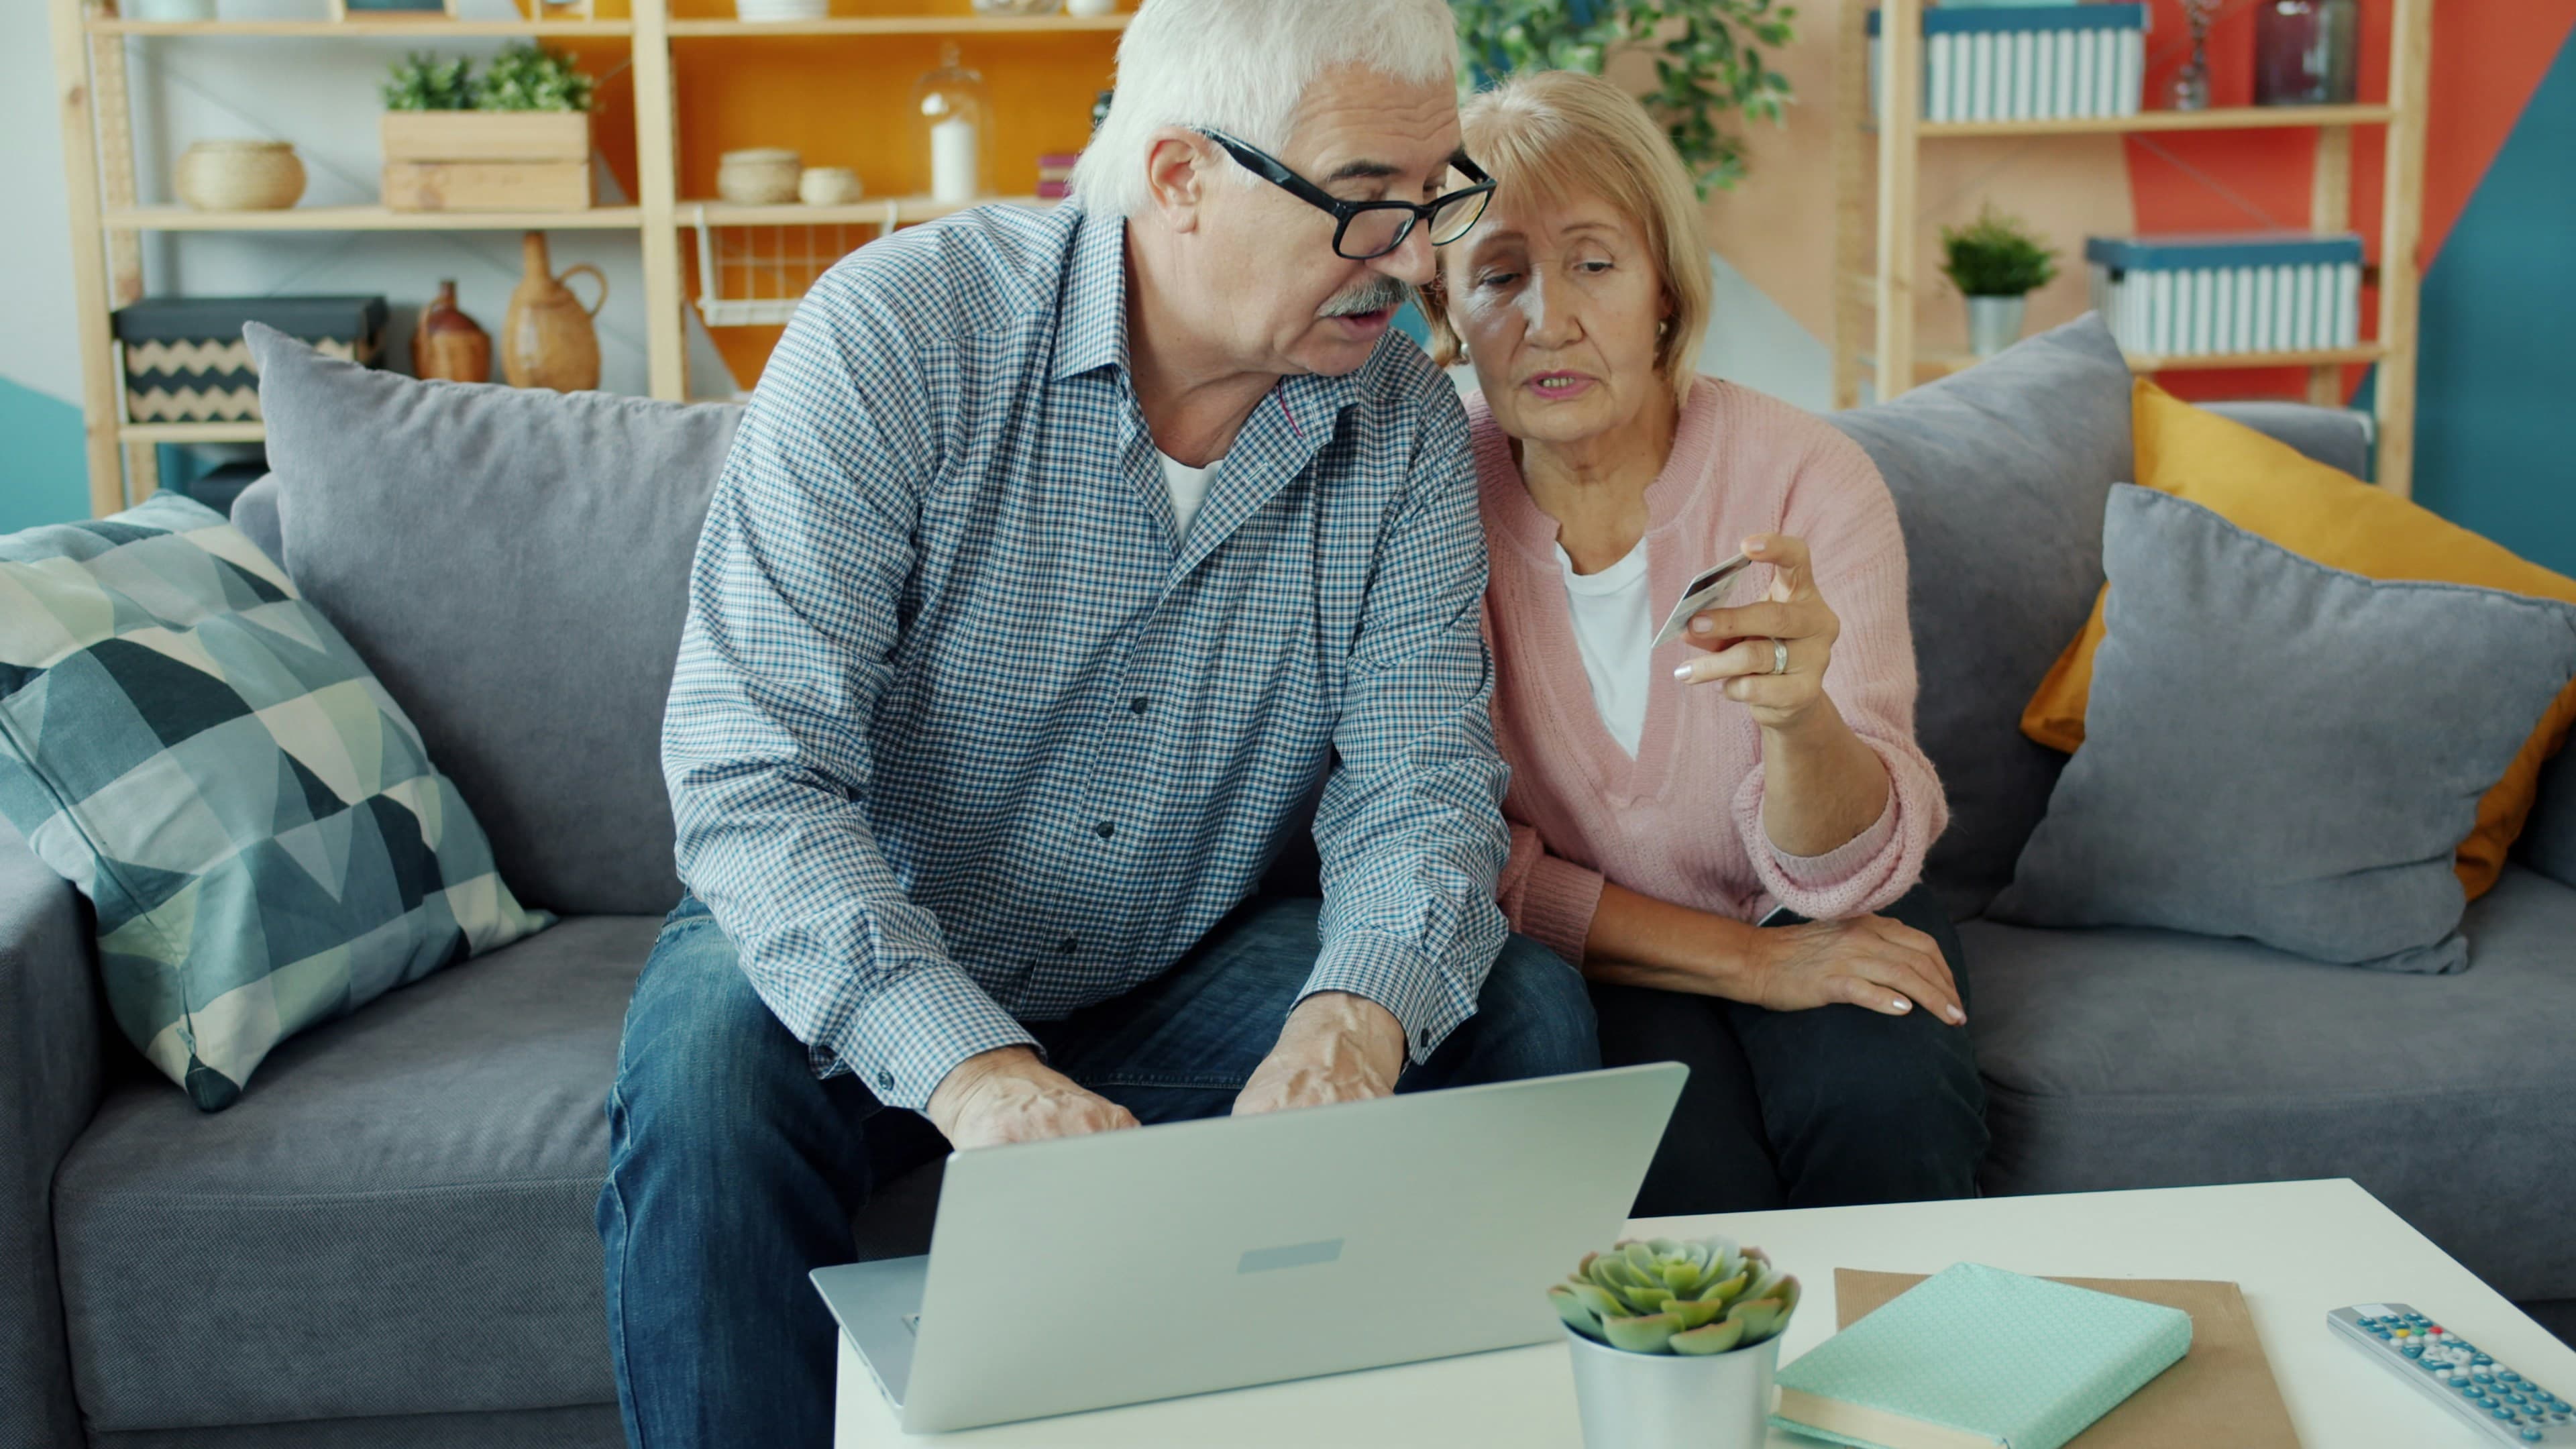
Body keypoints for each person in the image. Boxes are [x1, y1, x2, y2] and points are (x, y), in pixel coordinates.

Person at [596, 5, 1602, 1446]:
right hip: (874, 956)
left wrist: (1351, 1024)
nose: (1422, 259)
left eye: (1435, 198)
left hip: (1175, 968)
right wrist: (977, 1073)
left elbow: (1421, 787)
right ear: (1183, 176)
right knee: (702, 1067)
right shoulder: (898, 336)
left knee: (1515, 1011)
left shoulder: (1406, 434)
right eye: (1367, 208)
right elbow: (756, 782)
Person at [1419, 70, 1987, 1218]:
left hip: (1823, 906)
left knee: (1888, 1113)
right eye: (1498, 276)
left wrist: (1798, 722)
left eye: (1594, 262)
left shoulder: (1807, 475)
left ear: (1667, 291)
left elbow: (1843, 872)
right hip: (1610, 947)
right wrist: (1749, 968)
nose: (1551, 320)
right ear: (1445, 316)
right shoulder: (1425, 498)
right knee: (1682, 1185)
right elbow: (1460, 853)